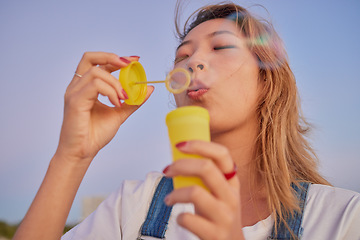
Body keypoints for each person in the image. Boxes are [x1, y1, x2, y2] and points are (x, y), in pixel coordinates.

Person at [13, 2, 360, 240]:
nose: (193, 62)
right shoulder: (135, 205)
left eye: (220, 47)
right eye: (183, 55)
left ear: (266, 83)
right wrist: (72, 155)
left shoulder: (342, 218)